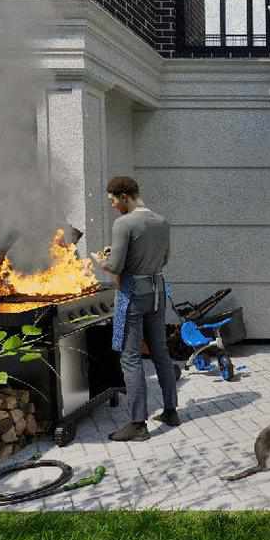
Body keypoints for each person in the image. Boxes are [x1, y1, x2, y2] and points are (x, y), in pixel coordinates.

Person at [91, 175, 178, 442]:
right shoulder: (161, 221)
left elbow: (115, 266)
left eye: (113, 200)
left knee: (130, 357)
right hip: (157, 291)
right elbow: (164, 259)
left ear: (125, 196)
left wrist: (100, 261)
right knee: (160, 351)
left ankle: (138, 424)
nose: (113, 206)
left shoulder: (124, 223)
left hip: (133, 294)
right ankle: (171, 411)